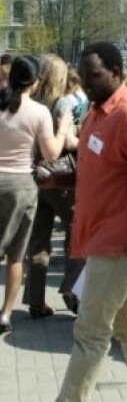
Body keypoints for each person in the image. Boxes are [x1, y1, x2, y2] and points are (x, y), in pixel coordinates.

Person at [56, 41, 127, 401]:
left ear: (117, 73)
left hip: (118, 244)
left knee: (90, 332)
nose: (86, 82)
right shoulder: (95, 112)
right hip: (101, 238)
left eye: (95, 75)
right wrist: (57, 178)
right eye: (82, 76)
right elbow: (98, 169)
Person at [0, 56, 72, 333]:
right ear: (35, 81)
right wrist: (63, 127)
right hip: (21, 184)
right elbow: (52, 153)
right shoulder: (39, 111)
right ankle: (6, 313)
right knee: (16, 255)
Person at [23, 54, 82, 318]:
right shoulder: (63, 104)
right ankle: (72, 291)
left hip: (36, 178)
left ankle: (35, 300)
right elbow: (68, 143)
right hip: (62, 180)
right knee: (75, 234)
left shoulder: (30, 103)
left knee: (38, 241)